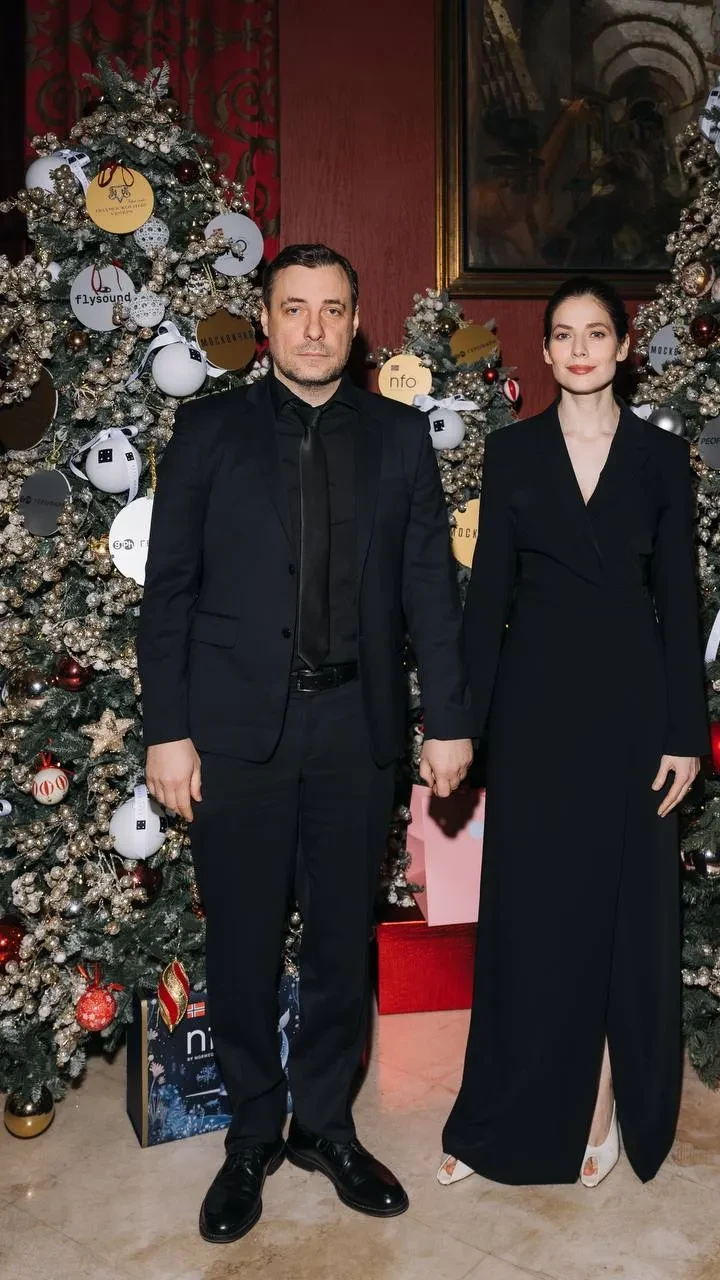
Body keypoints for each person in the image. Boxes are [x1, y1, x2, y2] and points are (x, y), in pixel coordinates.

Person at [138, 243, 473, 1243]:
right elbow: (169, 594)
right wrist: (168, 731)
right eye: (295, 308)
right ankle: (251, 1134)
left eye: (332, 309)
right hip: (235, 736)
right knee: (241, 942)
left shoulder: (400, 437)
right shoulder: (207, 431)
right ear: (265, 319)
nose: (314, 327)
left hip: (355, 732)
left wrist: (448, 717)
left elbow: (430, 588)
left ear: (356, 323)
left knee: (337, 942)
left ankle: (324, 1123)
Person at [438, 277, 709, 1189]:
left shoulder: (660, 458)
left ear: (623, 346)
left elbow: (678, 600)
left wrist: (684, 732)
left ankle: (599, 1104)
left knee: (616, 915)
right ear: (547, 350)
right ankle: (497, 1112)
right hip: (536, 709)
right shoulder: (511, 452)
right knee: (531, 914)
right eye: (563, 334)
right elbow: (486, 600)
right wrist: (458, 723)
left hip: (633, 710)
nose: (581, 349)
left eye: (597, 332)